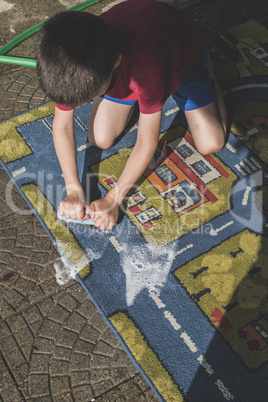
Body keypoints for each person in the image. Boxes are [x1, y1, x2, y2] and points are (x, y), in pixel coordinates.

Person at [35, 0, 227, 231]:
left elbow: (147, 141)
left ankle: (210, 78)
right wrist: (73, 189)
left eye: (88, 97)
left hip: (182, 55)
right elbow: (62, 126)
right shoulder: (62, 63)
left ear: (114, 63)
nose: (82, 103)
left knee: (211, 142)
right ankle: (117, 92)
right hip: (133, 48)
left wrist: (114, 199)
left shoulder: (148, 70)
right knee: (100, 138)